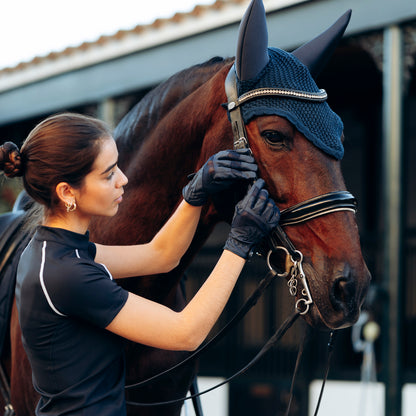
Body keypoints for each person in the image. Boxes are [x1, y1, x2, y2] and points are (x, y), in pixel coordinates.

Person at [0, 112, 280, 415]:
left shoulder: (54, 251)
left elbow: (160, 255)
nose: (123, 179)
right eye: (108, 174)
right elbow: (186, 332)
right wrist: (238, 242)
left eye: (117, 166)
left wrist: (194, 194)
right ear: (67, 192)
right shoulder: (66, 274)